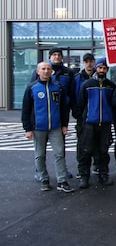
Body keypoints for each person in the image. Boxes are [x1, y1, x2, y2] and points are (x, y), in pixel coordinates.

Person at [22, 62, 74, 192]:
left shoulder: (58, 87)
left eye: (48, 69)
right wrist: (27, 128)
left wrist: (64, 125)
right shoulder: (32, 88)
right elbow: (26, 109)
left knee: (59, 153)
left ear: (52, 72)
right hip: (38, 127)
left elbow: (63, 108)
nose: (46, 71)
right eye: (43, 69)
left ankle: (62, 181)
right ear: (38, 71)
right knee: (40, 155)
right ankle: (44, 179)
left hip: (56, 127)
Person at [31, 47, 75, 180]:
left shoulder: (68, 72)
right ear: (50, 57)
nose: (56, 57)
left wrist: (72, 107)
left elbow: (72, 92)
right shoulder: (41, 70)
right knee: (40, 149)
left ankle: (63, 170)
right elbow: (32, 91)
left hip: (60, 113)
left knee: (60, 147)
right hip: (41, 115)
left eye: (59, 55)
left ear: (62, 57)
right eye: (54, 55)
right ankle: (40, 172)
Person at [76, 58, 115, 187]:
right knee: (86, 151)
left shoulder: (110, 85)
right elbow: (80, 104)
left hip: (105, 123)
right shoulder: (87, 84)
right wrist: (81, 121)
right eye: (100, 68)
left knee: (103, 151)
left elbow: (113, 104)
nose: (102, 70)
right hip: (89, 123)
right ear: (96, 69)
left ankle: (103, 174)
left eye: (104, 68)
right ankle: (84, 176)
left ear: (107, 70)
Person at [72, 52, 96, 179]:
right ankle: (81, 169)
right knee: (82, 144)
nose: (89, 64)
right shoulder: (77, 78)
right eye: (86, 61)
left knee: (97, 143)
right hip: (83, 116)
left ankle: (97, 166)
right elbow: (73, 96)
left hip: (96, 116)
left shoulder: (99, 77)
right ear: (83, 63)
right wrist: (77, 112)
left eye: (91, 61)